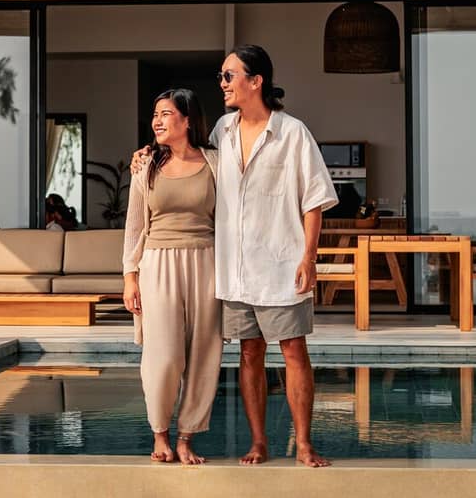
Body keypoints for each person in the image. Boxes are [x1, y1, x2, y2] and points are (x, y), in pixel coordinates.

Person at [211, 44, 335, 467]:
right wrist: (147, 157)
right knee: (249, 353)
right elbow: (192, 165)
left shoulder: (292, 132)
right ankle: (259, 442)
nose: (223, 83)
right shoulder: (221, 131)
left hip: (281, 263)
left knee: (293, 351)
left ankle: (303, 443)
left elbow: (313, 199)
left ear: (255, 80)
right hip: (235, 267)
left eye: (229, 75)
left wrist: (309, 256)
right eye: (222, 76)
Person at [122, 89, 219, 464]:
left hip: (207, 262)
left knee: (203, 355)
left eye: (166, 114)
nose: (157, 121)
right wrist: (130, 275)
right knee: (162, 355)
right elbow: (134, 226)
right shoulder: (145, 166)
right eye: (155, 114)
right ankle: (160, 433)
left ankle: (186, 437)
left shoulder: (216, 163)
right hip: (157, 262)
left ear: (188, 120)